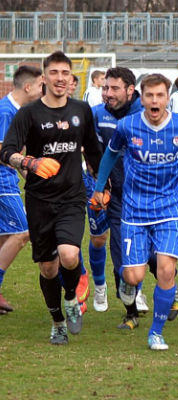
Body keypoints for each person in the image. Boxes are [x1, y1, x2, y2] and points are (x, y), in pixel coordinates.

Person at [92, 73, 178, 351]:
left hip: (169, 208)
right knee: (133, 276)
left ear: (167, 98)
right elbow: (110, 155)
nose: (154, 100)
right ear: (142, 97)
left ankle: (156, 332)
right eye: (149, 95)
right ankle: (129, 287)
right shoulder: (127, 126)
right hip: (134, 209)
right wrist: (99, 187)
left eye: (160, 95)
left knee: (166, 270)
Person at [0, 51, 105, 345]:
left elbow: (94, 151)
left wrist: (102, 185)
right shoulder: (28, 113)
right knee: (48, 268)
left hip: (72, 197)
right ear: (44, 77)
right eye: (54, 72)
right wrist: (29, 162)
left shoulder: (81, 110)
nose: (60, 78)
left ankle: (71, 297)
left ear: (72, 78)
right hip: (39, 199)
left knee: (69, 255)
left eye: (65, 73)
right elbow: (6, 151)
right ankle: (57, 321)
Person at [0, 66, 42, 314]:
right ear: (28, 87)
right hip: (2, 183)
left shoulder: (15, 110)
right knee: (22, 232)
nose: (42, 90)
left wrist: (30, 175)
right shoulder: (6, 112)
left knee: (5, 236)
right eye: (40, 85)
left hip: (7, 180)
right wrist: (29, 166)